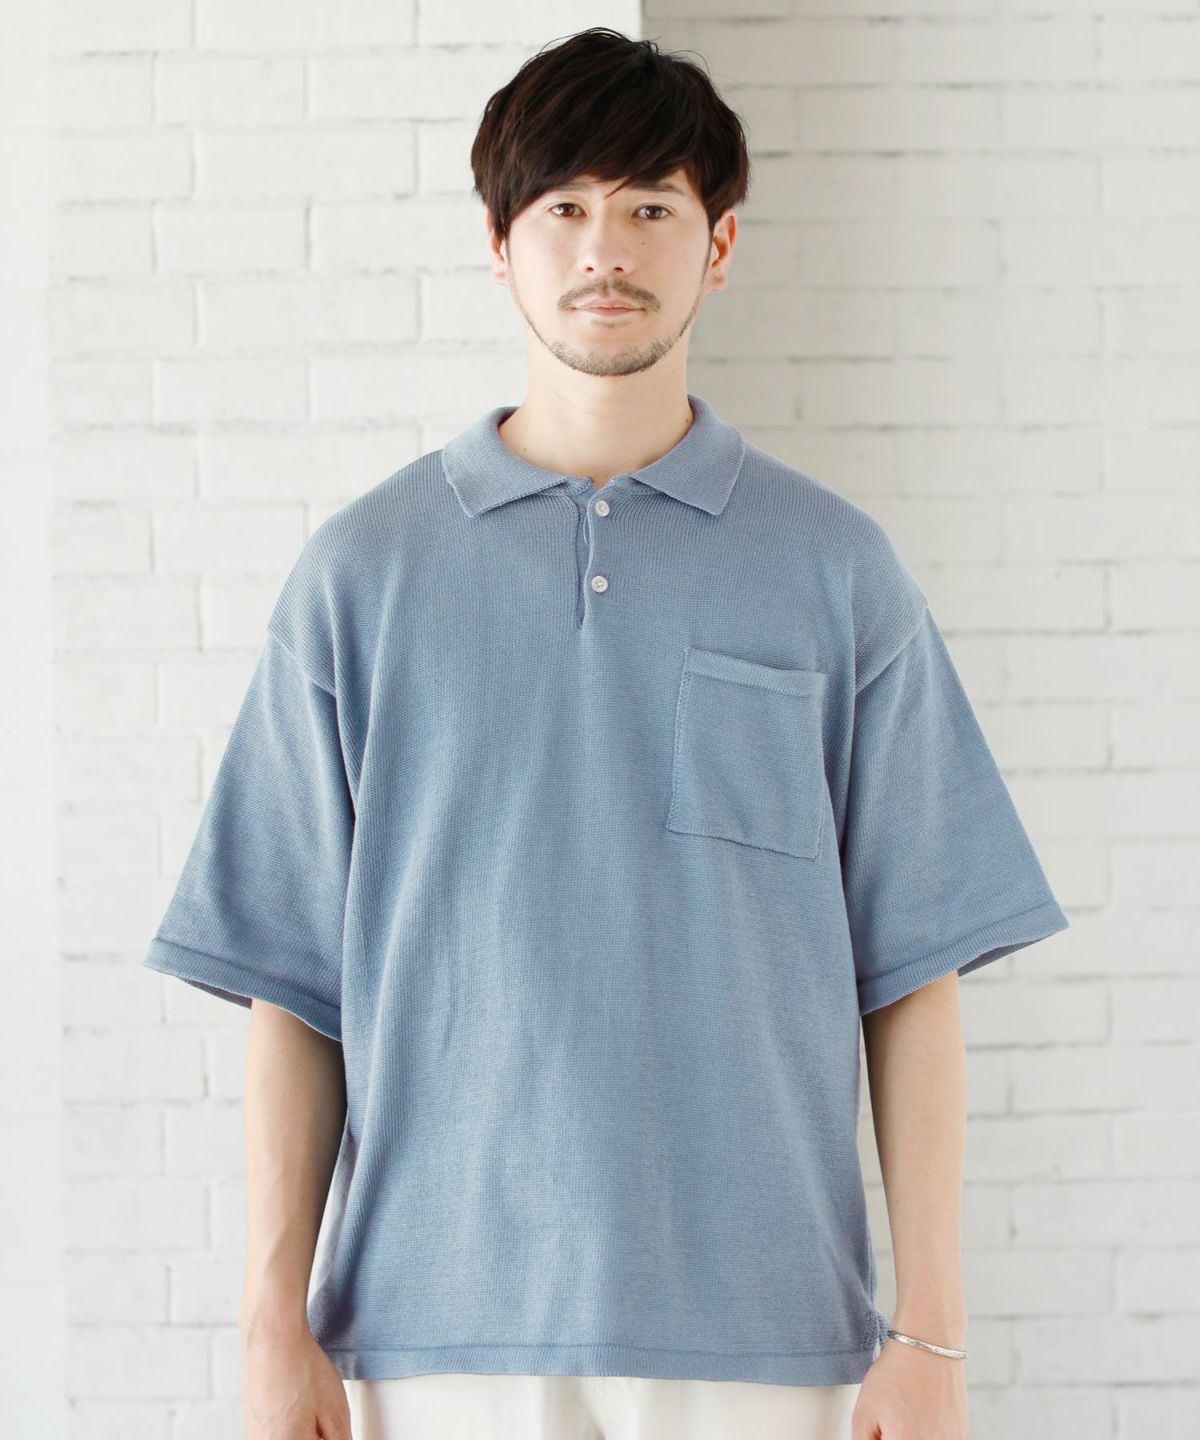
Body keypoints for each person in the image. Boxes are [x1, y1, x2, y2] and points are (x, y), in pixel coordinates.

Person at [142, 26, 1070, 1440]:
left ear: (720, 244)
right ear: (499, 247)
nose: (604, 248)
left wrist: (930, 1331)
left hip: (766, 1336)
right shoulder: (362, 577)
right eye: (563, 207)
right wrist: (272, 1313)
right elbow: (291, 983)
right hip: (431, 1331)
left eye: (650, 207)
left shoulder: (835, 572)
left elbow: (913, 977)